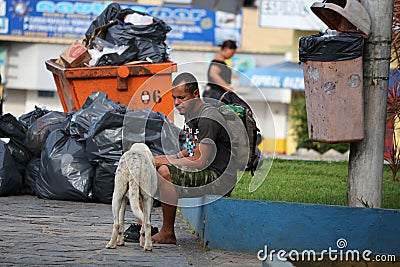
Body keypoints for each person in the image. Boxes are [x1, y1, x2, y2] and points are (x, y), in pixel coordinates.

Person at [150, 72, 232, 244]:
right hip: (205, 169)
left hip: (219, 177)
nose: (176, 102)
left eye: (181, 97)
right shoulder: (191, 114)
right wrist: (170, 156)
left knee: (165, 172)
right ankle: (143, 225)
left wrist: (167, 161)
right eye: (174, 98)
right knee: (148, 165)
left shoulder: (208, 117)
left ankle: (167, 233)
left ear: (195, 95)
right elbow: (192, 149)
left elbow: (199, 160)